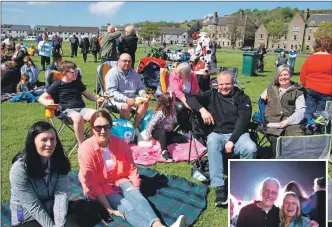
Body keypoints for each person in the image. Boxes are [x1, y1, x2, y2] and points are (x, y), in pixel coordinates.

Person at [77, 110, 186, 227]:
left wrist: (135, 190)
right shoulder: (86, 149)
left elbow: (131, 168)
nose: (103, 131)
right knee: (126, 206)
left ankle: (158, 225)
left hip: (120, 179)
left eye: (106, 127)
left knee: (138, 199)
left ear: (111, 127)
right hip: (100, 186)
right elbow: (92, 184)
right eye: (98, 128)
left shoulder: (120, 143)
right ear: (92, 129)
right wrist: (109, 208)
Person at [187, 71, 257, 206]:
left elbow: (243, 121)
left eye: (228, 84)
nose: (224, 87)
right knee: (212, 141)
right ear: (217, 84)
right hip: (217, 133)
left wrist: (232, 140)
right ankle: (219, 187)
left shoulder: (243, 98)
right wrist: (202, 110)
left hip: (238, 134)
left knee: (251, 148)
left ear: (233, 83)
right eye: (221, 84)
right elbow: (190, 99)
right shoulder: (211, 94)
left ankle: (242, 183)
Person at [9, 121, 78, 227]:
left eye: (52, 139)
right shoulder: (19, 169)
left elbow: (61, 195)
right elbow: (33, 206)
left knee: (85, 210)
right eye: (44, 140)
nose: (49, 144)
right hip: (28, 217)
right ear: (33, 142)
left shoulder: (59, 160)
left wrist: (59, 225)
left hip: (52, 208)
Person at [38, 60, 104, 146]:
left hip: (81, 109)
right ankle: (82, 145)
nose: (76, 73)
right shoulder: (57, 84)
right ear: (65, 73)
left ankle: (92, 142)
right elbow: (41, 98)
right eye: (74, 72)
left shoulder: (77, 82)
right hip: (65, 111)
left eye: (77, 71)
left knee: (97, 115)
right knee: (78, 117)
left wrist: (96, 99)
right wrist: (48, 102)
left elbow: (87, 94)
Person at [261, 65, 305, 158]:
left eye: (286, 74)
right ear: (277, 76)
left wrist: (288, 121)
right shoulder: (272, 87)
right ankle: (277, 160)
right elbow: (263, 96)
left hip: (291, 122)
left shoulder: (297, 91)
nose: (283, 77)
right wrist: (264, 94)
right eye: (280, 75)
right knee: (275, 139)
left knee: (295, 138)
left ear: (291, 75)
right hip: (273, 122)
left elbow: (301, 111)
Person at [105, 53, 150, 129]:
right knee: (126, 106)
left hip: (132, 99)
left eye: (129, 61)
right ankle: (123, 128)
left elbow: (140, 87)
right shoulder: (112, 73)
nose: (127, 63)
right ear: (119, 61)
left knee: (145, 102)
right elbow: (111, 92)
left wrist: (143, 94)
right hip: (115, 100)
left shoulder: (134, 74)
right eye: (125, 61)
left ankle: (135, 128)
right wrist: (126, 99)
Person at [142, 92, 187, 161]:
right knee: (163, 132)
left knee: (183, 139)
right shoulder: (160, 113)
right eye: (173, 100)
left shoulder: (172, 110)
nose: (175, 101)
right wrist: (147, 137)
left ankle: (162, 141)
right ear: (168, 103)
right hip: (158, 132)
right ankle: (164, 152)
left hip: (168, 132)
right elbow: (150, 124)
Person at [300, 37, 332, 122]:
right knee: (322, 115)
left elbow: (303, 75)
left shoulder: (310, 58)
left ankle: (308, 129)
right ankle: (320, 132)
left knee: (308, 112)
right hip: (327, 91)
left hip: (311, 89)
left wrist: (304, 85)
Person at [167, 62, 200, 134]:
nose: (178, 74)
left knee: (198, 106)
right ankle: (185, 129)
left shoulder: (192, 75)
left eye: (180, 73)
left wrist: (192, 98)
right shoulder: (173, 75)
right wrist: (186, 102)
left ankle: (195, 128)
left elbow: (196, 89)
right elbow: (175, 91)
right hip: (175, 97)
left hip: (189, 96)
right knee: (182, 108)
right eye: (177, 72)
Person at [188, 24, 217, 92]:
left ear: (195, 33)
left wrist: (207, 69)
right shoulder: (201, 39)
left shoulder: (204, 38)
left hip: (203, 69)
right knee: (199, 87)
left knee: (202, 88)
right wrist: (192, 60)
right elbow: (199, 52)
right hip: (200, 67)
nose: (192, 37)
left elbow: (208, 53)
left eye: (191, 35)